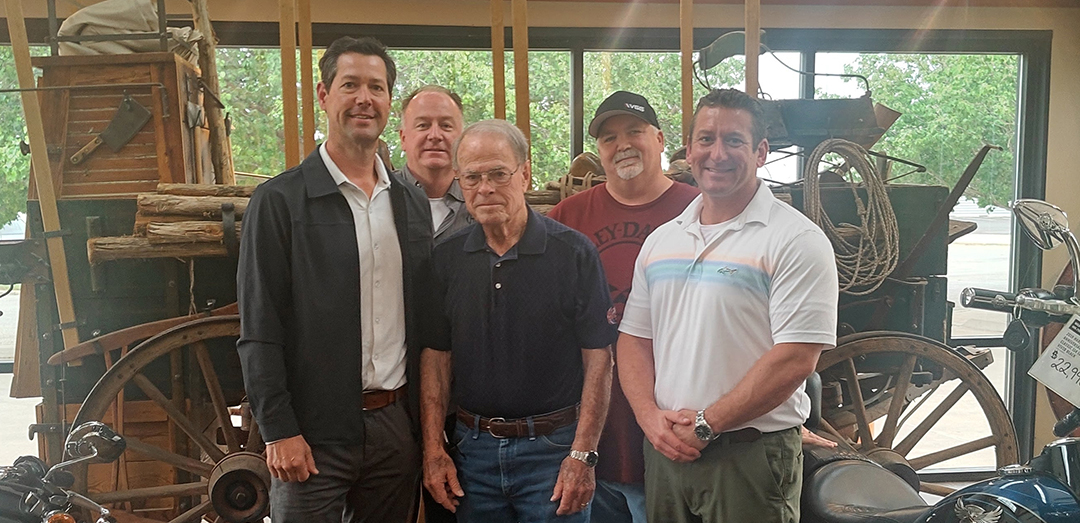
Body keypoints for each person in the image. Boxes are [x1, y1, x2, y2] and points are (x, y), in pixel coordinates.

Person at [617, 88, 839, 523]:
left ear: (761, 152)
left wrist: (706, 424)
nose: (717, 153)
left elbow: (796, 358)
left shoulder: (796, 240)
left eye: (734, 141)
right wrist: (648, 417)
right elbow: (633, 339)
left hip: (750, 456)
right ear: (689, 149)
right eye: (706, 139)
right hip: (666, 451)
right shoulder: (663, 240)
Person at [237, 36, 432, 522]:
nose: (365, 99)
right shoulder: (280, 202)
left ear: (389, 101)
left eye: (377, 87)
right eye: (350, 85)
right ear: (324, 97)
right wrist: (279, 430)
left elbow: (426, 320)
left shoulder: (409, 204)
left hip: (393, 429)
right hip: (312, 435)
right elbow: (259, 328)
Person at [420, 119, 617, 522]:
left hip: (554, 453)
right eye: (472, 177)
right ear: (459, 181)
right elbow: (436, 358)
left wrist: (582, 455)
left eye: (498, 173)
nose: (485, 187)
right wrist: (433, 450)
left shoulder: (573, 254)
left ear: (525, 174)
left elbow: (599, 360)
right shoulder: (445, 260)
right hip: (471, 455)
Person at [547, 91, 699, 523]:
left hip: (677, 418)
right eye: (609, 137)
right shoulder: (565, 219)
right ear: (598, 151)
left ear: (660, 138)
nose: (623, 144)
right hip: (593, 422)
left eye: (634, 131)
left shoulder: (698, 209)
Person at [397, 85, 473, 241]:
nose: (435, 135)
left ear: (462, 139)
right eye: (423, 125)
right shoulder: (379, 197)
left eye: (446, 126)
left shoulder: (481, 199)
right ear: (403, 138)